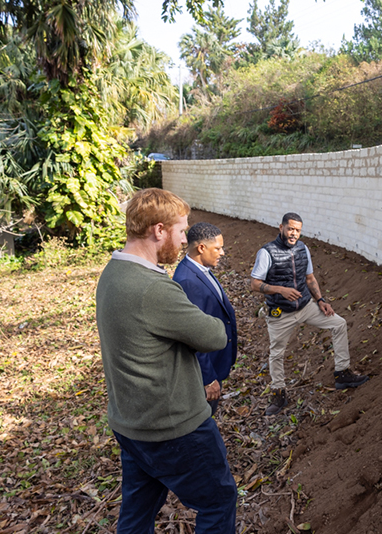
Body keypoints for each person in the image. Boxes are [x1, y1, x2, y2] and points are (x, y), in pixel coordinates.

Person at [96, 188, 237, 533]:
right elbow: (214, 336)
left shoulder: (112, 273)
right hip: (174, 429)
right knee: (218, 502)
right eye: (182, 231)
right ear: (159, 230)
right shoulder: (153, 288)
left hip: (131, 425)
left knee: (137, 514)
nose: (185, 239)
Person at [250, 212, 369, 416]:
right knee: (276, 353)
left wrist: (321, 301)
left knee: (339, 324)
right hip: (281, 313)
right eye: (290, 229)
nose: (293, 233)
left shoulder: (303, 249)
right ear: (281, 227)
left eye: (297, 230)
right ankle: (279, 393)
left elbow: (310, 278)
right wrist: (280, 290)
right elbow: (254, 284)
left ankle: (342, 374)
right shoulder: (266, 252)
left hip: (306, 307)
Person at [173, 222, 238, 416]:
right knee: (203, 420)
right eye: (217, 248)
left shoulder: (200, 270)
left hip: (215, 363)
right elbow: (192, 334)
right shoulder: (187, 281)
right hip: (205, 373)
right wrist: (208, 379)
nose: (222, 253)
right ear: (201, 248)